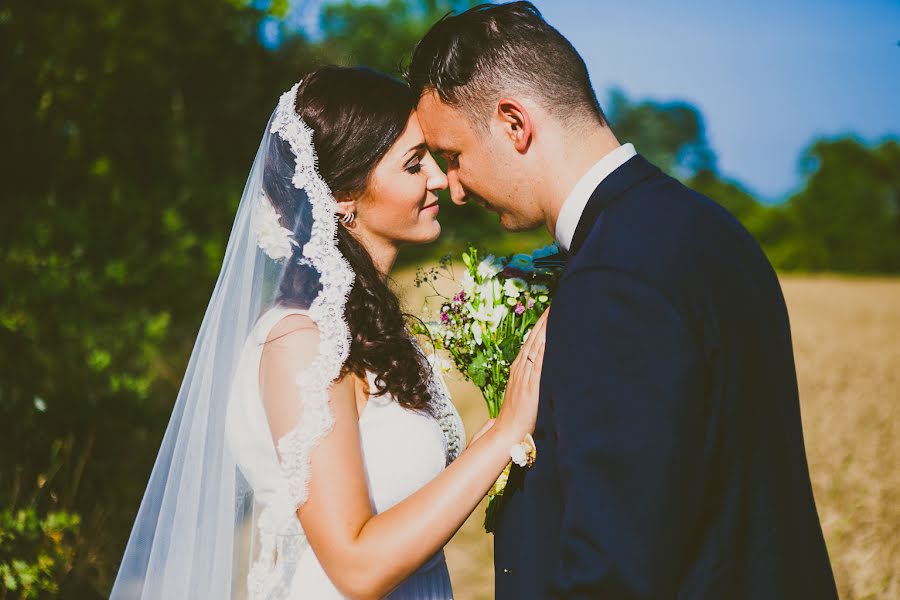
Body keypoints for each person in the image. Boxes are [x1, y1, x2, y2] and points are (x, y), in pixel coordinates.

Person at [407, 2, 838, 598]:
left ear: (513, 124)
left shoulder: (612, 277)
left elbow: (615, 567)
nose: (453, 189)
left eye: (454, 157)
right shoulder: (712, 229)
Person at [111, 66, 547, 599]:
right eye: (414, 164)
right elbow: (356, 565)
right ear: (342, 195)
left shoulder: (366, 332)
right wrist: (502, 437)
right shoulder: (300, 343)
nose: (438, 177)